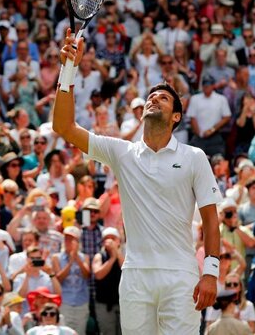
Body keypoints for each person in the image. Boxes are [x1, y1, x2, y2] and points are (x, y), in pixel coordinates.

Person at [52, 29, 221, 333]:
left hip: (181, 275)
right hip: (135, 277)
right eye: (151, 96)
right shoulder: (122, 152)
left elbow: (210, 218)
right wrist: (69, 68)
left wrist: (210, 271)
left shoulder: (195, 156)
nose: (154, 98)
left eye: (164, 97)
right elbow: (63, 127)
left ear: (176, 118)